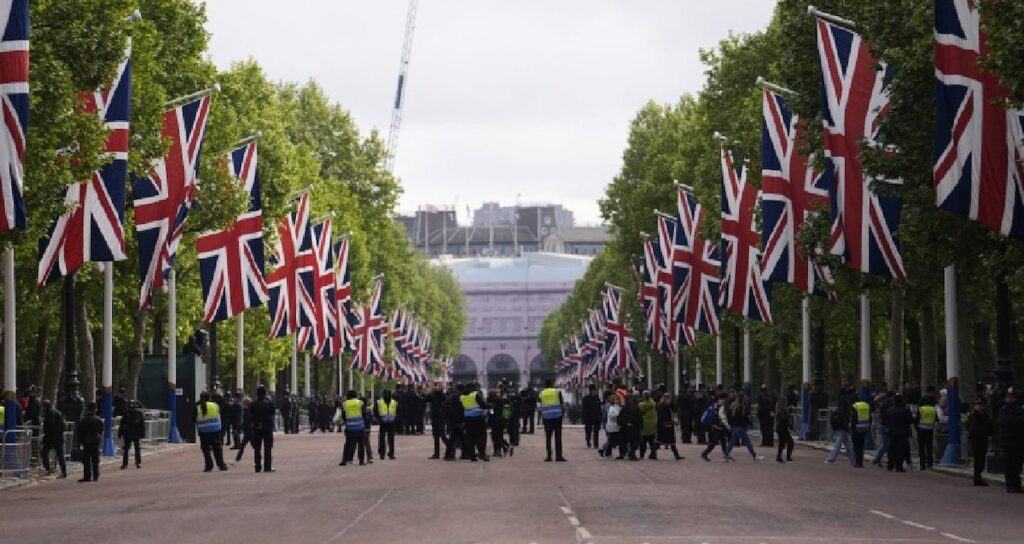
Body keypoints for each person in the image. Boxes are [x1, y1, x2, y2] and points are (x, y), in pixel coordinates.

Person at [724, 392, 764, 462]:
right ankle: (754, 456)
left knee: (732, 442)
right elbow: (744, 418)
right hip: (741, 427)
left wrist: (731, 423)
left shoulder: (733, 406)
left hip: (735, 426)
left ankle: (726, 455)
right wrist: (751, 423)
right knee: (746, 442)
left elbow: (729, 415)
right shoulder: (741, 407)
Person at [999, 387, 1024, 493]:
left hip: (1018, 440)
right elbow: (1008, 423)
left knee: (1017, 464)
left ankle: (1017, 484)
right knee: (1010, 464)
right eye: (1008, 397)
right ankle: (1010, 485)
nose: (1010, 399)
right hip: (1009, 440)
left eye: (1011, 397)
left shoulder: (1018, 409)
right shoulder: (1004, 410)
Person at [196, 391, 228, 473]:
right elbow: (220, 413)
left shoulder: (197, 406)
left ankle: (209, 466)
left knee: (206, 449)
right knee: (217, 448)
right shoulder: (215, 405)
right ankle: (221, 465)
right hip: (215, 429)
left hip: (203, 431)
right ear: (209, 398)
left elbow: (193, 418)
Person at [967, 398, 992, 486]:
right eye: (977, 405)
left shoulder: (985, 415)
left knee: (981, 460)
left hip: (983, 440)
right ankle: (977, 478)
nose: (979, 406)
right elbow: (974, 428)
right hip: (977, 440)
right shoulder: (974, 416)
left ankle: (978, 477)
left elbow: (989, 425)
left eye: (980, 405)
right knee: (978, 460)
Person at [250, 385, 276, 473]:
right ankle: (267, 466)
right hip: (267, 427)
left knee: (257, 448)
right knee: (267, 447)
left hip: (257, 427)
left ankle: (258, 466)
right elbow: (273, 412)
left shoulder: (253, 404)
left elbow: (252, 414)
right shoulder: (269, 403)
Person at [76, 402, 104, 482]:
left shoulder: (85, 419)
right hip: (96, 441)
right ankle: (96, 475)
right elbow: (101, 430)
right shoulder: (99, 420)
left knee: (87, 460)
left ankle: (87, 476)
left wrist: (81, 440)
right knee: (95, 459)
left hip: (87, 441)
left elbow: (80, 431)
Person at [461, 382, 490, 461]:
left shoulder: (462, 396)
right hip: (478, 418)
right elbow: (483, 405)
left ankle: (472, 456)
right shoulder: (475, 394)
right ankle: (482, 454)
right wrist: (489, 405)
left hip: (467, 419)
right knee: (481, 437)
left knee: (470, 437)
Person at [539, 379, 566, 462]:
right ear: (552, 384)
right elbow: (562, 404)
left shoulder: (542, 393)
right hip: (557, 417)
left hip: (547, 418)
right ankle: (558, 456)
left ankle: (549, 456)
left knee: (548, 437)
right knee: (558, 437)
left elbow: (539, 406)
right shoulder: (557, 392)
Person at [825, 391, 855, 465]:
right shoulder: (845, 409)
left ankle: (852, 460)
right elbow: (845, 420)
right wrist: (847, 428)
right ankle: (852, 460)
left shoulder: (839, 409)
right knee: (843, 445)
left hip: (840, 428)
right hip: (843, 428)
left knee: (844, 445)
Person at [40, 400, 67, 478]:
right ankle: (63, 471)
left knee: (44, 452)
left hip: (53, 438)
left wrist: (45, 438)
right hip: (57, 438)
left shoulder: (49, 414)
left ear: (45, 406)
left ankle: (48, 469)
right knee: (60, 455)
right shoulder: (54, 412)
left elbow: (50, 428)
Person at [886, 394, 913, 472]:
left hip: (892, 432)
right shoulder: (905, 410)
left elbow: (886, 419)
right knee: (900, 450)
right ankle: (899, 466)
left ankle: (890, 464)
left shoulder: (890, 410)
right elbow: (910, 420)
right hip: (902, 432)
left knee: (892, 449)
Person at [339, 390, 366, 466]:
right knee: (361, 444)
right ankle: (361, 460)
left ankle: (345, 460)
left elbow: (343, 416)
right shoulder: (360, 403)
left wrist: (347, 422)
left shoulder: (345, 404)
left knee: (348, 444)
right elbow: (364, 414)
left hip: (350, 426)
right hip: (360, 426)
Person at [701, 394, 730, 461]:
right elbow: (716, 417)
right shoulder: (718, 406)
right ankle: (704, 453)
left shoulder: (715, 406)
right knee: (715, 442)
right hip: (717, 426)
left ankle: (726, 455)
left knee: (722, 441)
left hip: (717, 426)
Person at [656, 392, 684, 461]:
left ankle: (653, 453)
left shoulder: (662, 406)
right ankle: (676, 455)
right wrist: (673, 420)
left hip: (664, 425)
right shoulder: (664, 407)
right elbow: (665, 417)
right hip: (666, 425)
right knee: (669, 441)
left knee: (660, 440)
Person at [118, 400, 145, 469]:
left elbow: (142, 425)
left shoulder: (139, 414)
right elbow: (122, 425)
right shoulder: (126, 414)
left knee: (137, 449)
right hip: (128, 434)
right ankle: (125, 463)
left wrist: (142, 434)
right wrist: (120, 433)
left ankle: (138, 463)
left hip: (136, 434)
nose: (132, 409)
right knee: (126, 449)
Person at [916, 388, 937, 470]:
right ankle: (930, 463)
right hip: (930, 429)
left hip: (921, 429)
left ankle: (922, 464)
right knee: (929, 447)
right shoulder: (933, 409)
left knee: (921, 447)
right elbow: (936, 419)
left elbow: (917, 419)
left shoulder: (921, 409)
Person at [427, 382, 449, 459]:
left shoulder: (443, 395)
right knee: (436, 436)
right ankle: (436, 454)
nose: (438, 387)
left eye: (439, 386)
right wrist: (431, 391)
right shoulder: (432, 395)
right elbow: (425, 399)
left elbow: (446, 403)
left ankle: (450, 449)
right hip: (434, 417)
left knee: (443, 435)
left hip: (441, 417)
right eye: (436, 385)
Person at [375, 389, 398, 460]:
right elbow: (375, 411)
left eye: (388, 394)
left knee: (391, 440)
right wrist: (379, 419)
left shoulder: (394, 402)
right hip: (383, 422)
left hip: (391, 422)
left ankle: (391, 454)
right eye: (386, 394)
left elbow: (397, 411)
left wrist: (394, 418)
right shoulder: (379, 402)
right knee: (382, 439)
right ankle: (382, 454)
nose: (387, 396)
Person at [851, 394, 871, 468]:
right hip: (864, 428)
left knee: (856, 447)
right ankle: (860, 462)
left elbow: (854, 419)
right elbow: (870, 417)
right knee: (861, 446)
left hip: (856, 429)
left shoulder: (855, 407)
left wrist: (852, 428)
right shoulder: (866, 405)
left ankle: (857, 462)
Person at [638, 391, 658, 459]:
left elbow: (639, 413)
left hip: (645, 423)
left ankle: (642, 454)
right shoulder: (653, 403)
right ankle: (653, 454)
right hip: (653, 423)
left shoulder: (641, 405)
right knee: (652, 440)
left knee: (643, 441)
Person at [487, 388, 506, 457]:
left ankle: (498, 450)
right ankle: (499, 450)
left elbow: (492, 412)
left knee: (495, 437)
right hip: (501, 420)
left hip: (495, 421)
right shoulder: (501, 400)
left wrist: (489, 421)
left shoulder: (492, 402)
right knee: (500, 435)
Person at [581, 384, 602, 449]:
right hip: (588, 418)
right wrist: (585, 418)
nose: (595, 392)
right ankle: (588, 440)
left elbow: (599, 408)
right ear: (591, 391)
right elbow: (584, 409)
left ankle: (596, 444)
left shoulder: (597, 398)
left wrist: (600, 416)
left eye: (595, 390)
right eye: (594, 390)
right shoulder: (586, 399)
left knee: (596, 431)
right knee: (588, 431)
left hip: (596, 418)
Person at [233, 397, 253, 464]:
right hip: (248, 431)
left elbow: (246, 422)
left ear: (246, 404)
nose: (241, 404)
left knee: (253, 446)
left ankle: (260, 460)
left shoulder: (248, 412)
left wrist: (238, 428)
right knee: (243, 445)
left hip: (249, 432)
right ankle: (237, 458)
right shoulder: (248, 411)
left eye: (243, 403)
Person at [604, 394, 622, 459]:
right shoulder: (611, 408)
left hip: (617, 427)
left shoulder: (619, 407)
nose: (618, 400)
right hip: (612, 427)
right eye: (616, 399)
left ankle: (621, 454)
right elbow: (611, 416)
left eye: (618, 399)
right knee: (611, 442)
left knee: (620, 441)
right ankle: (607, 453)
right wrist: (618, 415)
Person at [775, 398, 794, 463]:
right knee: (788, 442)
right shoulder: (782, 411)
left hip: (782, 429)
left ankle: (780, 457)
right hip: (782, 429)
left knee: (783, 443)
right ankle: (784, 457)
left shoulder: (781, 410)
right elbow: (783, 420)